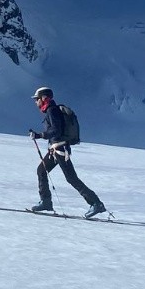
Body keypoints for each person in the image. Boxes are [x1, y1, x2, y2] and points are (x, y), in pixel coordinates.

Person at [28, 85, 105, 217]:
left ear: (44, 98)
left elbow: (56, 130)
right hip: (57, 149)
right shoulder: (51, 110)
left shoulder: (52, 111)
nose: (36, 102)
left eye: (37, 99)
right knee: (42, 170)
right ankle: (46, 202)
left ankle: (96, 204)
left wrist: (40, 135)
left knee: (71, 178)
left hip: (60, 149)